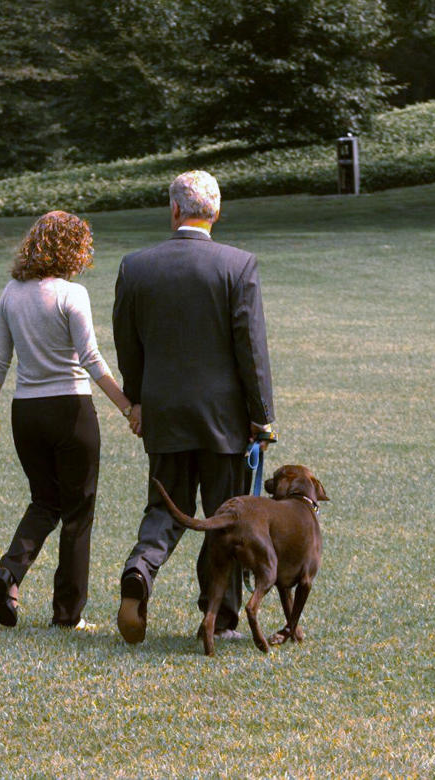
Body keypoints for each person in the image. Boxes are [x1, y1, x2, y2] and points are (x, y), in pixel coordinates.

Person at [112, 170, 276, 644]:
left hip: (163, 410)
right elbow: (251, 348)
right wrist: (261, 414)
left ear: (175, 210)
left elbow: (128, 343)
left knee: (166, 504)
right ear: (217, 213)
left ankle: (141, 568)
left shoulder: (135, 266)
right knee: (225, 517)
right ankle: (220, 616)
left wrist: (138, 398)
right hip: (225, 419)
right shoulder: (238, 265)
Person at [0, 211, 138, 630]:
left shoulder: (11, 293)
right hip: (70, 411)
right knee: (78, 512)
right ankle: (68, 615)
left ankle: (9, 572)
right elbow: (91, 359)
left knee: (44, 501)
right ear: (74, 249)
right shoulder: (71, 294)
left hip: (25, 412)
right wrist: (126, 406)